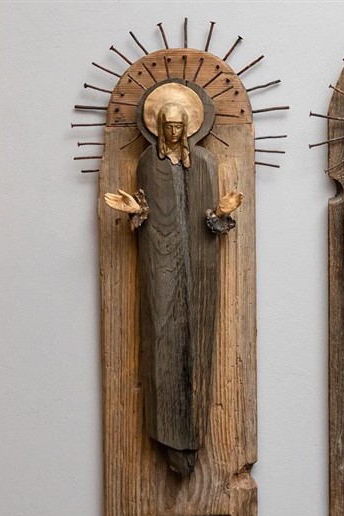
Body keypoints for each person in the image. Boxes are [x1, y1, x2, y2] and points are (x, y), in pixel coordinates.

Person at [106, 87, 240, 476]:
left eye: (180, 127)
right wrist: (137, 212)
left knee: (198, 342)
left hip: (200, 267)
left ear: (189, 128)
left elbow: (211, 221)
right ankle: (166, 432)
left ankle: (193, 431)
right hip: (161, 264)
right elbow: (146, 214)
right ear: (159, 128)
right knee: (162, 338)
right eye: (168, 126)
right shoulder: (148, 163)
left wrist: (220, 213)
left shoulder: (205, 163)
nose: (174, 132)